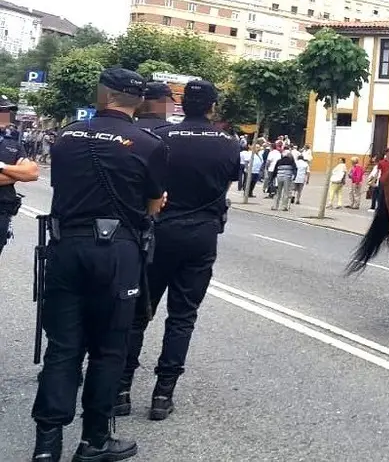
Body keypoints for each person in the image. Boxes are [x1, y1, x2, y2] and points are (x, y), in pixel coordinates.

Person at [31, 68, 167, 462]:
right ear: (136, 101)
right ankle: (94, 441)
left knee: (63, 347)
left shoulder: (67, 135)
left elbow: (65, 186)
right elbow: (154, 203)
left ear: (103, 94)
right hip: (116, 252)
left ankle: (47, 446)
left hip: (65, 246)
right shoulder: (149, 143)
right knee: (109, 349)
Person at [118, 79, 237, 424]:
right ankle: (162, 395)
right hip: (201, 235)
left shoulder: (161, 139)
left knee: (140, 313)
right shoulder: (229, 144)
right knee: (182, 317)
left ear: (183, 106)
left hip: (160, 232)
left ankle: (122, 389)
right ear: (213, 108)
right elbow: (225, 186)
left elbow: (150, 186)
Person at [0, 94, 40, 260]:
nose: (7, 116)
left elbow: (32, 173)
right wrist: (16, 175)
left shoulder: (12, 143)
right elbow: (23, 173)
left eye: (8, 112)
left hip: (2, 210)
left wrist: (3, 167)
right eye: (3, 111)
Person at [272, 147, 297, 211]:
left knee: (278, 192)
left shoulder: (279, 161)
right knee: (286, 192)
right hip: (287, 177)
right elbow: (295, 169)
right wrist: (294, 176)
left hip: (279, 177)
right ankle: (284, 206)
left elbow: (275, 170)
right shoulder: (291, 161)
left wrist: (272, 178)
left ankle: (275, 206)